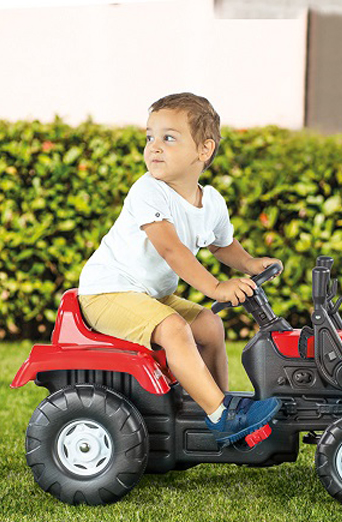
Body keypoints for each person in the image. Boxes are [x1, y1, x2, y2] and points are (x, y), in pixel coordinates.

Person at [78, 92, 282, 447]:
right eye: (149, 137)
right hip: (108, 291)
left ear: (204, 150)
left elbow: (221, 244)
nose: (154, 147)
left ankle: (218, 402)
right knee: (175, 329)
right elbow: (172, 250)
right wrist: (216, 287)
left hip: (148, 295)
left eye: (168, 138)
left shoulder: (211, 202)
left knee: (209, 325)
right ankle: (221, 417)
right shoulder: (147, 191)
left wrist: (250, 263)